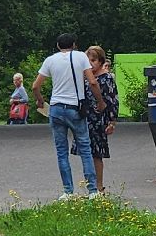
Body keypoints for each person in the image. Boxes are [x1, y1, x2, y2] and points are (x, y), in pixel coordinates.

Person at [32, 33, 102, 198]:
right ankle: (92, 191)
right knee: (85, 149)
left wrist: (40, 101)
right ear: (75, 45)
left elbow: (35, 86)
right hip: (75, 108)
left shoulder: (50, 60)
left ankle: (68, 192)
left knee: (61, 151)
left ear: (57, 46)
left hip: (56, 108)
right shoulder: (80, 57)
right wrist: (100, 101)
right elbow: (92, 82)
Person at [83, 46, 119, 194]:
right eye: (88, 60)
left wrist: (112, 121)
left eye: (94, 60)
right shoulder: (86, 77)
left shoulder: (107, 77)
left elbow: (112, 99)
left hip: (99, 118)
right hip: (86, 118)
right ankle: (90, 186)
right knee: (86, 152)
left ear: (101, 61)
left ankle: (99, 186)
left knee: (96, 153)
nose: (91, 63)